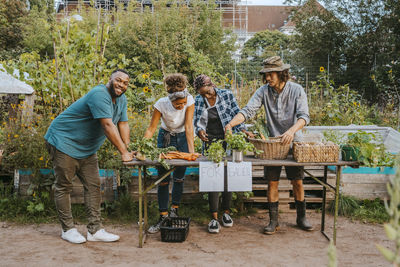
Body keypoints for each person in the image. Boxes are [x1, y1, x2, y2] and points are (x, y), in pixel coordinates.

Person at [225, 56, 313, 234]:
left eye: (270, 74)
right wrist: (231, 124)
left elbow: (304, 116)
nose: (267, 79)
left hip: (293, 143)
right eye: (265, 75)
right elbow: (248, 111)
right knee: (272, 182)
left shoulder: (297, 90)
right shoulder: (263, 91)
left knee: (297, 181)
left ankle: (301, 217)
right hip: (271, 145)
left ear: (281, 73)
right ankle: (273, 221)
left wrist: (291, 131)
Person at [44, 69, 134, 244]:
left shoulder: (121, 99)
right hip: (63, 141)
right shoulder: (99, 94)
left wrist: (129, 149)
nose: (121, 85)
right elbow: (108, 125)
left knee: (93, 186)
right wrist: (122, 152)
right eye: (118, 80)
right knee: (64, 186)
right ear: (110, 79)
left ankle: (95, 230)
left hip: (87, 148)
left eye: (125, 83)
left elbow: (123, 123)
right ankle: (67, 229)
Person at [193, 74, 249, 233]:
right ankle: (214, 217)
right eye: (202, 93)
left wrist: (244, 130)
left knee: (227, 176)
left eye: (207, 92)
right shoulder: (198, 100)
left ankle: (226, 213)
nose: (206, 95)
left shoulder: (226, 94)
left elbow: (237, 113)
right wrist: (200, 131)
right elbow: (197, 121)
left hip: (228, 138)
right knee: (213, 177)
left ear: (213, 85)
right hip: (211, 141)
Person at [145, 73, 195, 234]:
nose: (181, 106)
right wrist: (142, 147)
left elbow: (188, 127)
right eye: (178, 104)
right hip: (165, 138)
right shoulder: (161, 104)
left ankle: (174, 210)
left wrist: (191, 152)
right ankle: (163, 215)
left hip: (182, 138)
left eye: (183, 103)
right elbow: (152, 128)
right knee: (164, 179)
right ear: (171, 100)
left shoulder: (190, 100)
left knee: (179, 178)